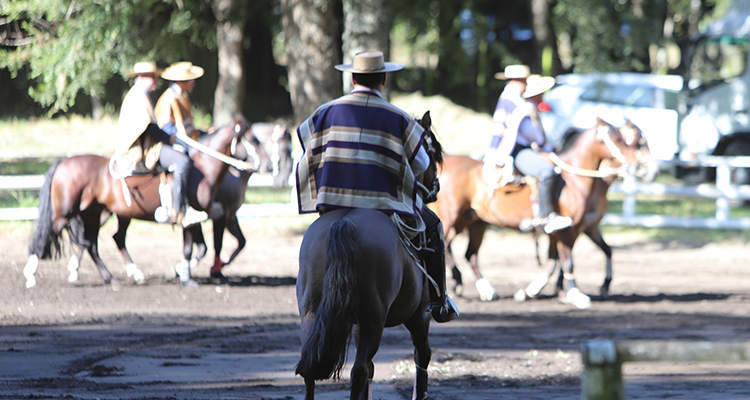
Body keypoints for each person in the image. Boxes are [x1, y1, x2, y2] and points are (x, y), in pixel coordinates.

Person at [295, 51, 458, 323]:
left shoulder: (324, 113)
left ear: (352, 77)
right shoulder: (398, 117)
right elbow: (420, 163)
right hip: (384, 205)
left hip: (334, 202)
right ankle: (439, 300)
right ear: (383, 79)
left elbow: (305, 149)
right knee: (433, 227)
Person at [485, 65, 572, 234]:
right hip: (514, 150)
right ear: (519, 81)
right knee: (546, 171)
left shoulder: (512, 99)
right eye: (524, 81)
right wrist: (543, 143)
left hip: (517, 147)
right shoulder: (515, 102)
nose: (526, 85)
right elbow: (528, 131)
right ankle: (546, 217)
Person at [112, 61, 192, 225]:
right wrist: (167, 138)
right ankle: (179, 210)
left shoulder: (139, 95)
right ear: (141, 77)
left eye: (155, 77)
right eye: (152, 77)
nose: (156, 81)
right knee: (182, 162)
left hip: (149, 144)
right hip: (145, 149)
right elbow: (147, 127)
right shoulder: (138, 96)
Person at [154, 61, 206, 153]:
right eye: (190, 80)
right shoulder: (169, 97)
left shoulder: (183, 96)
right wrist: (180, 136)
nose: (193, 83)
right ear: (180, 82)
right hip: (173, 141)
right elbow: (164, 125)